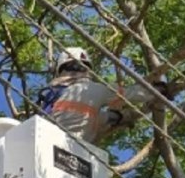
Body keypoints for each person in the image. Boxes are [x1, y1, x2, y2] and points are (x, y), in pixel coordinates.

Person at [37, 47, 165, 144]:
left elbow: (81, 116)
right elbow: (131, 94)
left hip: (46, 143)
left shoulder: (52, 92)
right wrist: (157, 90)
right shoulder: (92, 89)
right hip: (72, 148)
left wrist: (116, 117)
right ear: (87, 69)